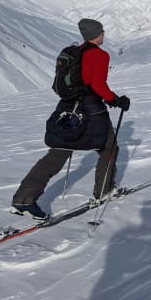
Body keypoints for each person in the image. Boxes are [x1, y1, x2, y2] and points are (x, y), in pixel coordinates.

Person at [11, 19, 131, 218]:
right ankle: (104, 191)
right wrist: (116, 100)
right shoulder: (99, 55)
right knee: (109, 147)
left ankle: (23, 198)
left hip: (67, 108)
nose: (104, 34)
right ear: (95, 34)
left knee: (59, 152)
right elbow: (98, 85)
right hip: (91, 110)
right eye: (101, 32)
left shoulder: (75, 52)